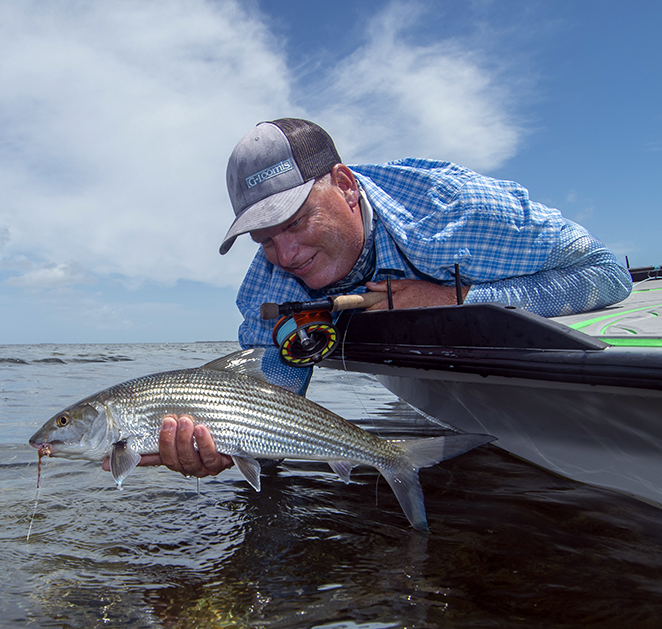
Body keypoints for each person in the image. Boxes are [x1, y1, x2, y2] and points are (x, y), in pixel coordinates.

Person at [121, 117, 632, 480]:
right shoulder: (268, 289)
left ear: (343, 185)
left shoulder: (456, 210)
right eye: (264, 240)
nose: (287, 254)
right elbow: (271, 410)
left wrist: (460, 298)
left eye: (297, 221)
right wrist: (223, 448)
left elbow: (607, 274)